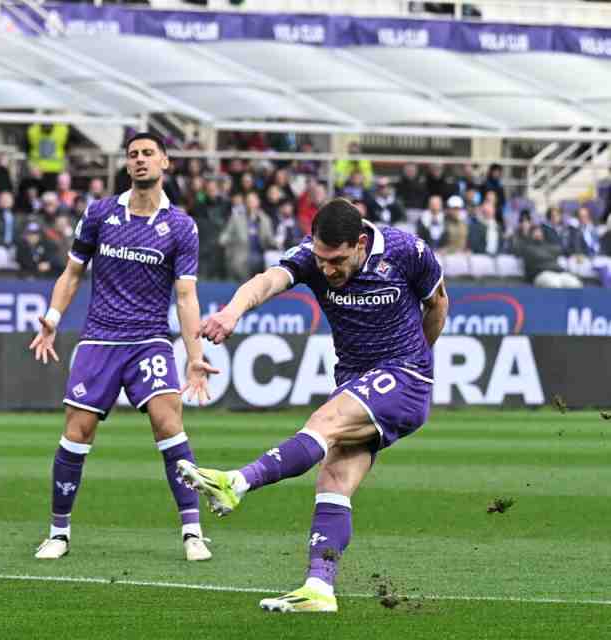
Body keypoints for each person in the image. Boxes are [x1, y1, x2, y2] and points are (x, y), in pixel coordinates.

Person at [178, 198, 447, 613]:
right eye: (321, 259)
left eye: (337, 260)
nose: (327, 270)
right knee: (334, 481)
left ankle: (238, 482)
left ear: (360, 243)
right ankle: (319, 588)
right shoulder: (310, 256)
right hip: (355, 379)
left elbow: (438, 302)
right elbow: (266, 281)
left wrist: (418, 360)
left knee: (324, 421)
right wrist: (232, 311)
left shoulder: (406, 251)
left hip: (404, 375)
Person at [28, 132, 218, 563]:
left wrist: (194, 358)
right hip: (99, 338)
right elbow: (72, 273)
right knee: (76, 432)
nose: (139, 160)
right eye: (132, 155)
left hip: (149, 339)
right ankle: (58, 533)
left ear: (165, 162)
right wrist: (53, 320)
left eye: (148, 153)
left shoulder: (182, 227)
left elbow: (186, 297)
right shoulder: (100, 213)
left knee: (169, 425)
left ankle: (192, 532)